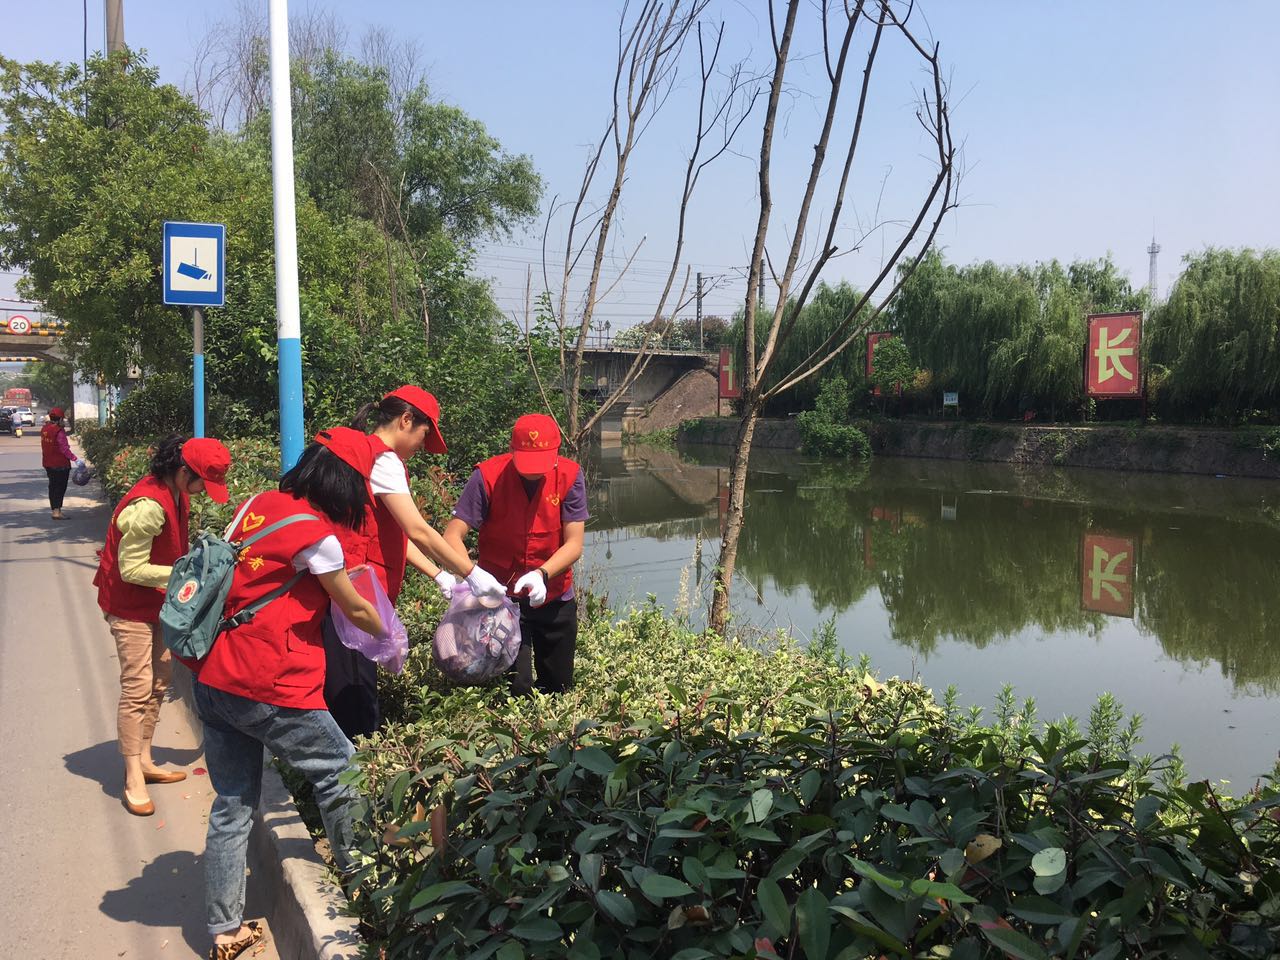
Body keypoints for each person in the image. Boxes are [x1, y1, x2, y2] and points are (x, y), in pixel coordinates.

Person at [192, 428, 385, 960]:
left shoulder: (257, 505)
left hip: (215, 675)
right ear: (346, 484)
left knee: (233, 803)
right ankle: (370, 893)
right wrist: (391, 637)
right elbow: (353, 606)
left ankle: (224, 930)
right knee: (342, 771)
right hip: (268, 680)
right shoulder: (318, 537)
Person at [324, 386, 507, 737]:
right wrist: (471, 572)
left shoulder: (365, 456)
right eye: (424, 436)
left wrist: (438, 574)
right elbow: (417, 529)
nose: (422, 447)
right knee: (357, 712)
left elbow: (392, 535)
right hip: (355, 602)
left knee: (354, 696)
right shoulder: (384, 460)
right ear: (406, 420)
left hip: (348, 594)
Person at [93, 434, 232, 816]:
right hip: (129, 607)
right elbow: (131, 569)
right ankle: (132, 776)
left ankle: (145, 758)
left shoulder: (177, 492)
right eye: (203, 483)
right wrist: (186, 575)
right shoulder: (149, 507)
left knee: (160, 679)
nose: (204, 492)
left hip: (159, 604)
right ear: (184, 472)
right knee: (138, 687)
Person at [444, 413, 588, 696]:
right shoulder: (487, 476)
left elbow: (574, 544)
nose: (533, 472)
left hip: (553, 593)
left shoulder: (570, 476)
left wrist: (542, 574)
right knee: (515, 688)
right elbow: (452, 536)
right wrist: (474, 576)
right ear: (511, 450)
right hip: (500, 601)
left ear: (556, 453)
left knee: (558, 687)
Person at [40, 406, 78, 519]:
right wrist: (75, 459)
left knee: (52, 487)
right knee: (60, 488)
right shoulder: (59, 431)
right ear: (60, 419)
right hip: (60, 464)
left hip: (48, 463)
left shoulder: (44, 429)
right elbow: (64, 449)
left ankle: (55, 511)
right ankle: (57, 512)